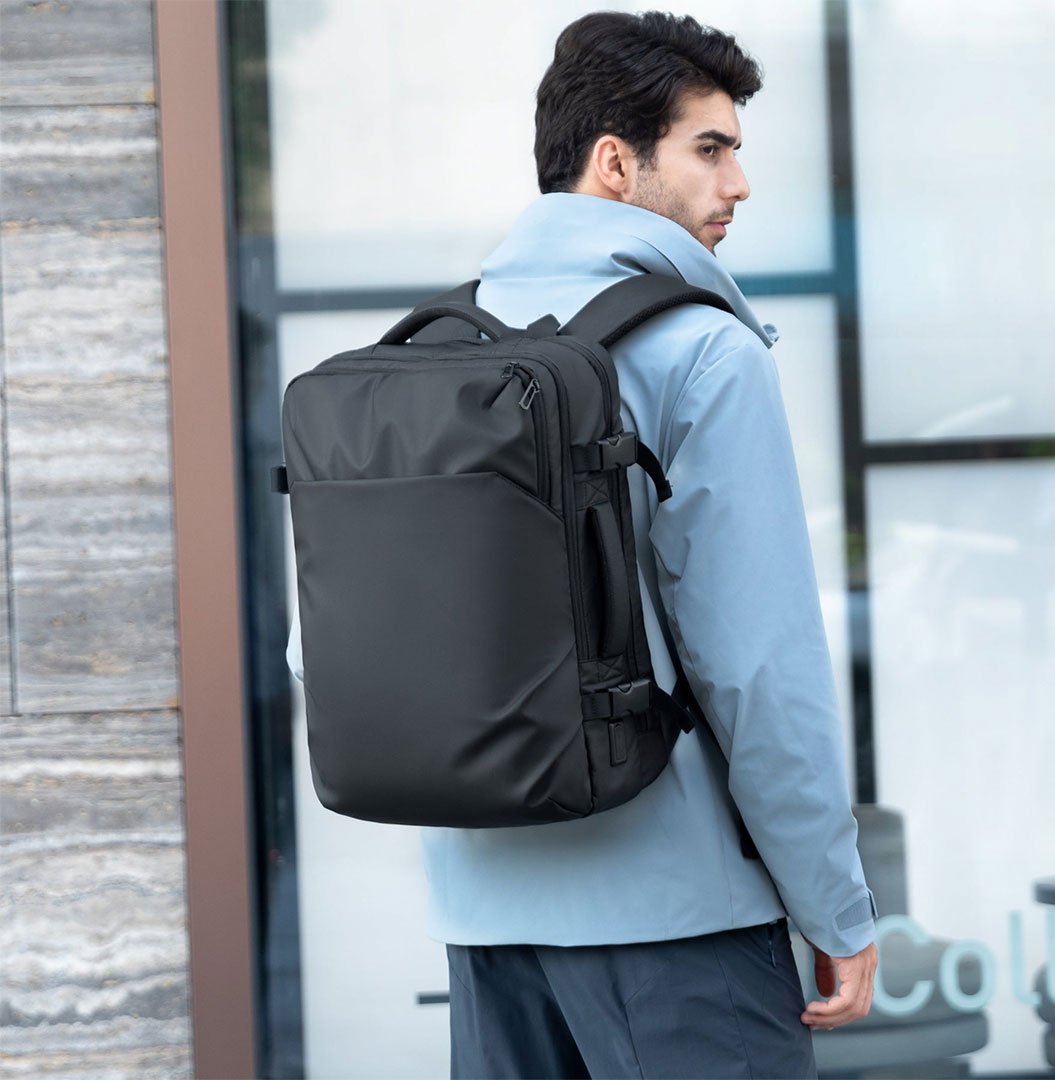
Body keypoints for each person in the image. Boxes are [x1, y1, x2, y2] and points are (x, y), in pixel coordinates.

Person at [290, 10, 878, 1078]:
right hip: (679, 927)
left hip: (484, 927)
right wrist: (835, 905)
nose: (738, 184)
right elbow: (758, 669)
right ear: (615, 162)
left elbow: (319, 647)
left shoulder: (430, 348)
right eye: (710, 148)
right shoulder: (702, 350)